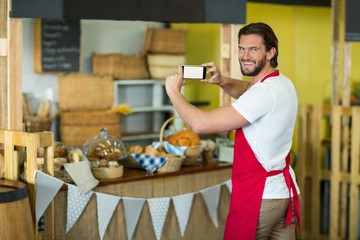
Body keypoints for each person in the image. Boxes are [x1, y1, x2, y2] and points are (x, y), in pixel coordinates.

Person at [165, 22, 301, 240]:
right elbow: (249, 90)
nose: (245, 55)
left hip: (260, 197)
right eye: (241, 48)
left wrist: (173, 92)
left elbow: (201, 124)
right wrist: (222, 81)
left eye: (254, 49)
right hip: (285, 193)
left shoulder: (263, 94)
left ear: (270, 52)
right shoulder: (282, 84)